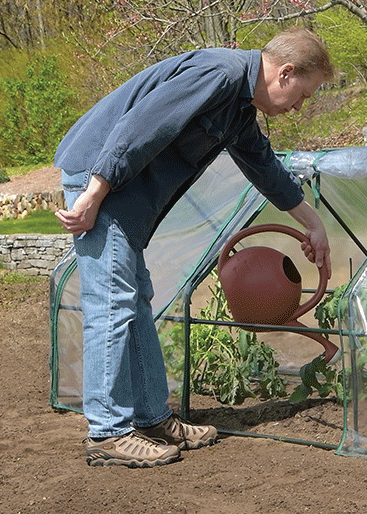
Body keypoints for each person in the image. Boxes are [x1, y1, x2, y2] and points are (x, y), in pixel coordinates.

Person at [54, 27, 334, 468]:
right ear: (285, 73)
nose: (300, 107)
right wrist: (92, 193)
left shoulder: (239, 106)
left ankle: (150, 418)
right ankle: (108, 433)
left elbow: (262, 164)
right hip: (102, 181)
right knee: (110, 305)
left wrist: (313, 224)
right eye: (304, 94)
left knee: (135, 302)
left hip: (121, 194)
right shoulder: (219, 75)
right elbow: (139, 128)